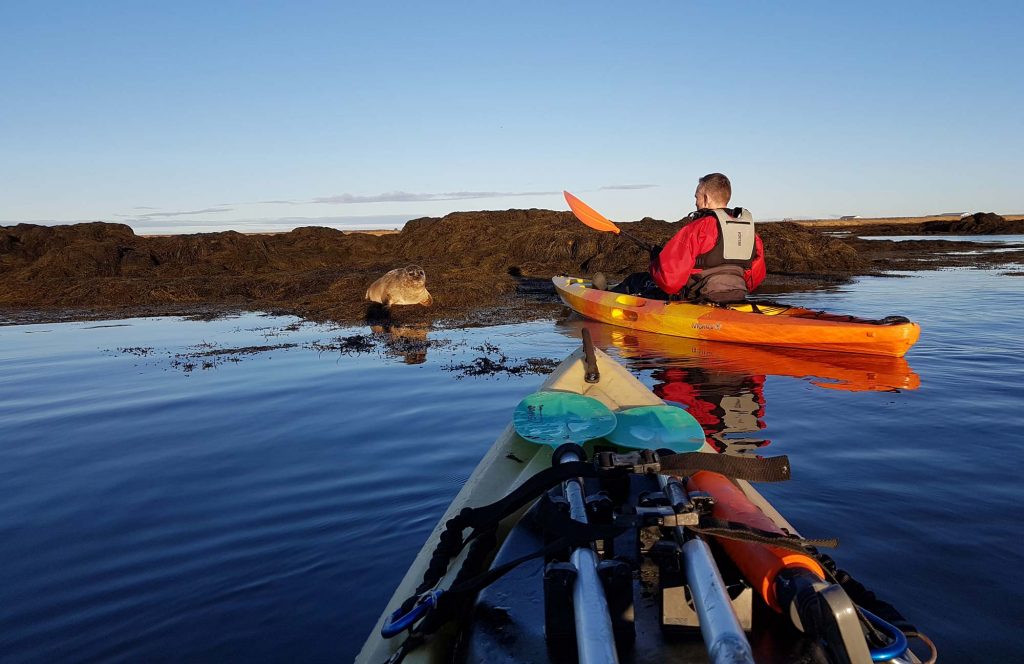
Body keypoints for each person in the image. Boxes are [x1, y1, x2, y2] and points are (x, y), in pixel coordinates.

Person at [604, 173, 766, 303]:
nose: (695, 202)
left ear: (706, 198)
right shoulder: (751, 234)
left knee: (637, 280)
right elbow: (755, 279)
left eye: (696, 197)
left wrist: (657, 263)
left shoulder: (696, 229)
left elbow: (669, 282)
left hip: (697, 297)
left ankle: (602, 297)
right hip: (737, 296)